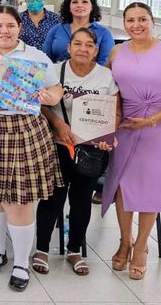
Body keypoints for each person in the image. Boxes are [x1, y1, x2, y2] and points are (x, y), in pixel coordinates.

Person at [0, 5, 64, 292]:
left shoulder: (35, 56)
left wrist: (48, 95)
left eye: (10, 26)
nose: (4, 31)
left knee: (19, 201)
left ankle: (21, 262)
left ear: (19, 28)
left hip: (24, 131)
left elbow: (57, 90)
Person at [101, 2, 161, 280]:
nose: (136, 25)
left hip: (160, 128)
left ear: (153, 22)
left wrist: (152, 120)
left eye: (142, 19)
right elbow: (105, 87)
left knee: (151, 187)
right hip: (127, 124)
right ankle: (124, 240)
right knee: (122, 186)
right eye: (130, 20)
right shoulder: (117, 51)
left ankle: (141, 246)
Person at [33, 28, 118, 277]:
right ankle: (41, 250)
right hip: (58, 145)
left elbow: (113, 111)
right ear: (69, 47)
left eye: (89, 45)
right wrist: (58, 124)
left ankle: (75, 250)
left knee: (81, 201)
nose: (83, 49)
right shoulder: (55, 70)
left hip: (91, 150)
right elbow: (39, 103)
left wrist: (107, 138)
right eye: (77, 44)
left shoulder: (106, 77)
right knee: (52, 199)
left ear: (96, 50)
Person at [43, 0, 114, 66]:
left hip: (91, 76)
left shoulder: (104, 33)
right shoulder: (56, 29)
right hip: (58, 75)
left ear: (92, 7)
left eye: (84, 2)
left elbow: (105, 64)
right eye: (75, 2)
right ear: (69, 7)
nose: (79, 5)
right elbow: (45, 58)